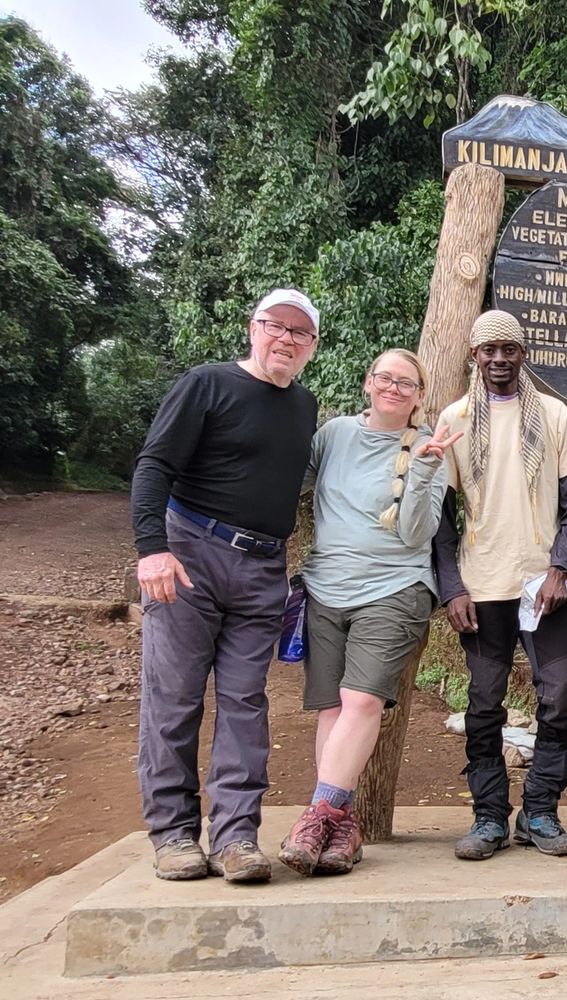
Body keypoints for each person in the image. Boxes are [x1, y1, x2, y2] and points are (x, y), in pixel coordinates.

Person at [131, 288, 320, 883]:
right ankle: (174, 834)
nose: (286, 338)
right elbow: (154, 465)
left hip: (263, 566)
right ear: (253, 328)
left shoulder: (304, 406)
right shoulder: (206, 383)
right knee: (175, 695)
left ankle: (236, 835)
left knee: (245, 702)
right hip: (189, 551)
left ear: (312, 347)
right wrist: (151, 550)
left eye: (300, 332)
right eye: (276, 326)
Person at [277, 349, 462, 876]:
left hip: (394, 588)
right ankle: (343, 826)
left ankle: (315, 816)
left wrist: (427, 470)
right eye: (385, 378)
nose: (394, 388)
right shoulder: (333, 435)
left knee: (360, 701)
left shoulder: (427, 447)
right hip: (324, 586)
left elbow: (416, 534)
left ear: (420, 395)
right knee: (332, 711)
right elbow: (289, 483)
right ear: (367, 382)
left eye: (407, 383)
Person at [435, 309, 567, 860]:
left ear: (523, 354)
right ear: (474, 357)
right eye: (488, 350)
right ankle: (489, 816)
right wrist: (451, 588)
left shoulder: (553, 416)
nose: (499, 359)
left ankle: (542, 810)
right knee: (483, 702)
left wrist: (559, 570)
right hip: (480, 588)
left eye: (509, 349)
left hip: (540, 587)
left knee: (561, 692)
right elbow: (440, 517)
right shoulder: (453, 421)